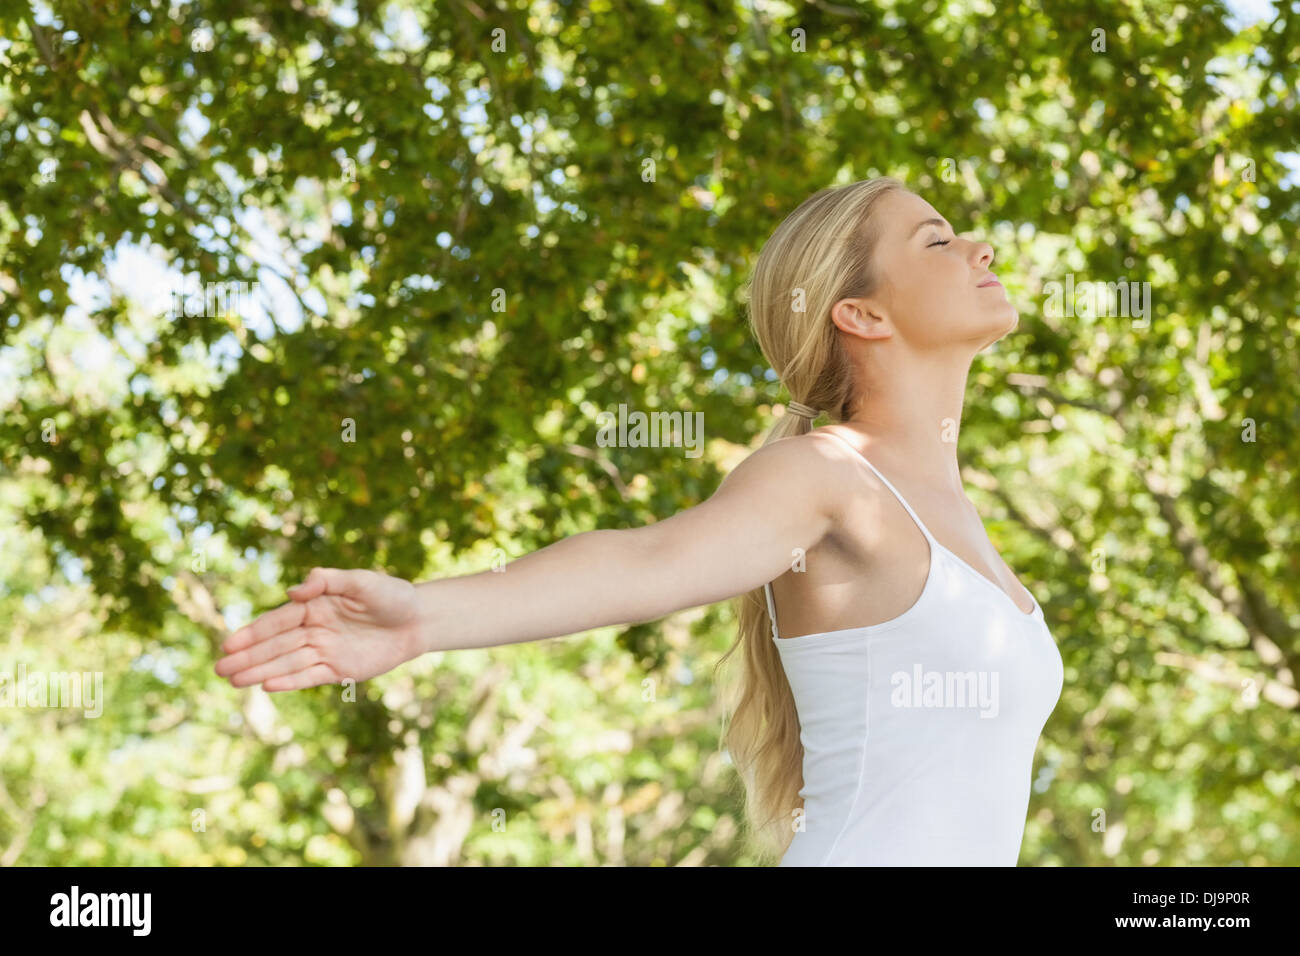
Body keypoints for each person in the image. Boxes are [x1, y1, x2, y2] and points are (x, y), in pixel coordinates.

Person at [214, 177, 1064, 866]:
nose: (979, 246)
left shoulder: (957, 516)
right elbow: (647, 561)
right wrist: (426, 615)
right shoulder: (823, 475)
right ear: (863, 314)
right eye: (937, 240)